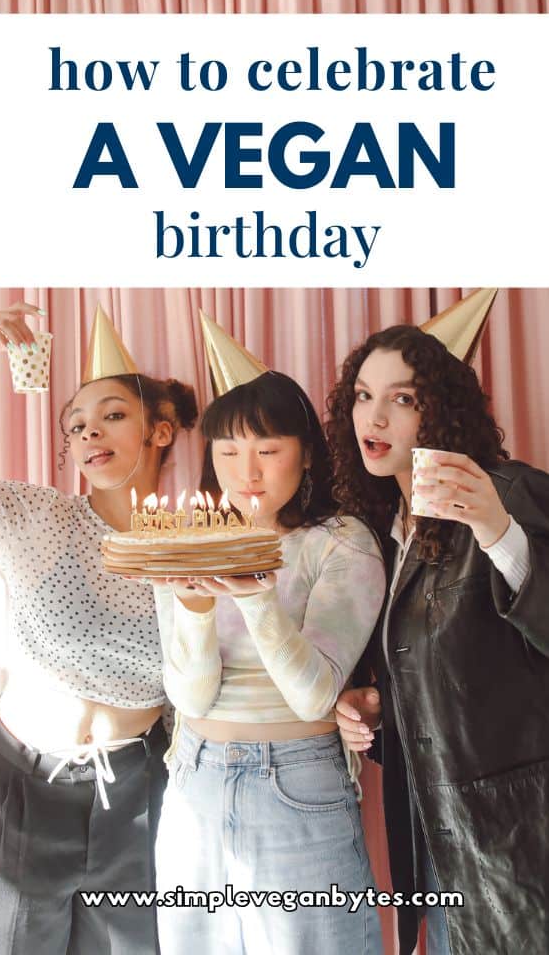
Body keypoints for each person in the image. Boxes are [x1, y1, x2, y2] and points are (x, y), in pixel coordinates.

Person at [326, 322, 549, 955]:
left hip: (518, 835)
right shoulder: (378, 530)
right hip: (430, 832)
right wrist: (372, 705)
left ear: (440, 411)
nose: (375, 415)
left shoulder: (507, 492)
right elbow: (437, 682)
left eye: (402, 398)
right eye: (364, 396)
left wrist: (496, 531)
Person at [0, 300, 197, 955]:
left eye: (112, 415)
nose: (90, 433)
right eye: (76, 425)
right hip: (17, 782)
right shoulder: (36, 518)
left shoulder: (195, 551)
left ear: (160, 433)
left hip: (139, 794)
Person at [153, 369, 386, 955]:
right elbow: (190, 696)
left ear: (307, 455)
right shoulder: (187, 540)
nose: (246, 472)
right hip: (194, 780)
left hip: (296, 780)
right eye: (228, 451)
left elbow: (313, 695)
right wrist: (195, 607)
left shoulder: (341, 542)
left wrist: (255, 593)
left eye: (268, 450)